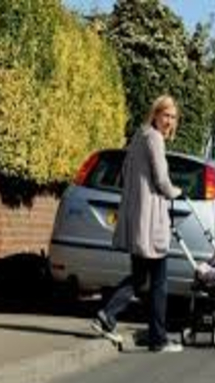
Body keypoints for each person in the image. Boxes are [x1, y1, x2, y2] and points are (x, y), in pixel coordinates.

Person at [91, 94, 183, 353]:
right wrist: (175, 191)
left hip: (139, 217)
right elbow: (161, 179)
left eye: (173, 117)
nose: (169, 121)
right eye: (165, 115)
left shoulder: (138, 138)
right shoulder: (154, 139)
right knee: (158, 282)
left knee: (141, 277)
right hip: (151, 220)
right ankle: (158, 338)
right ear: (155, 114)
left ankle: (107, 315)